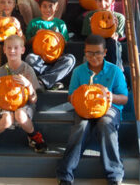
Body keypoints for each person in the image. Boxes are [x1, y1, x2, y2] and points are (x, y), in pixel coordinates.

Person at [56, 34, 128, 185]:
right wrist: (80, 94)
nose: (93, 57)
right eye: (89, 53)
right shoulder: (79, 71)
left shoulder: (115, 71)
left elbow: (124, 98)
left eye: (98, 53)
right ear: (84, 52)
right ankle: (65, 174)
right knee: (81, 127)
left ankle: (114, 174)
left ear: (105, 53)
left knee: (106, 123)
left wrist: (110, 96)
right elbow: (70, 97)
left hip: (109, 107)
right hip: (84, 108)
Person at [0, 35, 47, 154]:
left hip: (25, 105)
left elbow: (34, 100)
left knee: (20, 115)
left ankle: (34, 136)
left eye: (16, 48)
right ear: (4, 50)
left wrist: (28, 85)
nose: (12, 50)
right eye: (9, 47)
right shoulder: (0, 71)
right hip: (5, 105)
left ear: (22, 50)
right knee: (7, 119)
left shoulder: (28, 70)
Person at [25, 0, 76, 90]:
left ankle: (42, 81)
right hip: (39, 58)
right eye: (44, 6)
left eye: (50, 6)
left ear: (56, 7)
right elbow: (27, 42)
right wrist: (36, 36)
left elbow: (65, 42)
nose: (47, 9)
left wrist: (59, 36)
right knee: (29, 58)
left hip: (57, 58)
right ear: (39, 7)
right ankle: (52, 81)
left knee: (70, 60)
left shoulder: (60, 23)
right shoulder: (34, 23)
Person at [82, 0, 125, 67]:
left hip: (111, 44)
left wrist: (113, 27)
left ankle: (114, 70)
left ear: (112, 1)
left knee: (111, 42)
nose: (102, 4)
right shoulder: (90, 16)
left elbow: (116, 36)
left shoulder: (119, 17)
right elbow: (88, 36)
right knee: (94, 43)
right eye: (100, 0)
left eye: (106, 0)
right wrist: (93, 25)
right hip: (95, 42)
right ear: (96, 1)